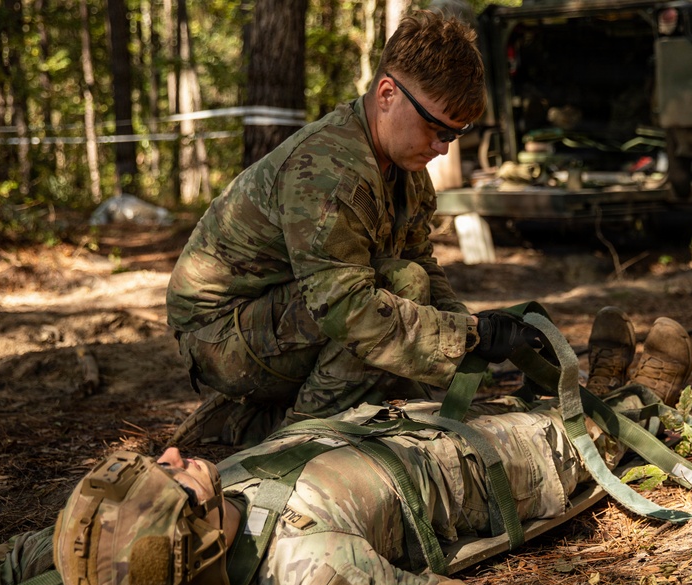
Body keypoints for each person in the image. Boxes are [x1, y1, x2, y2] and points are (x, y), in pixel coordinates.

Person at [0, 308, 692, 585]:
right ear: (202, 540)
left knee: (493, 395)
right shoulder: (308, 569)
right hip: (465, 474)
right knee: (566, 435)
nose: (177, 453)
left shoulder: (107, 539)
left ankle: (605, 384)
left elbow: (14, 557)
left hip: (373, 430)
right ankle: (642, 395)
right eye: (176, 478)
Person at [165, 10, 533, 447]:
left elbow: (419, 257)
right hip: (218, 336)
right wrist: (464, 338)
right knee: (399, 288)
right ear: (387, 94)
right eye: (435, 128)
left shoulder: (405, 167)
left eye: (453, 136)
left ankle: (272, 416)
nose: (440, 147)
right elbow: (345, 308)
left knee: (407, 289)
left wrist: (473, 326)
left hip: (282, 314)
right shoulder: (329, 169)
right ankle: (292, 441)